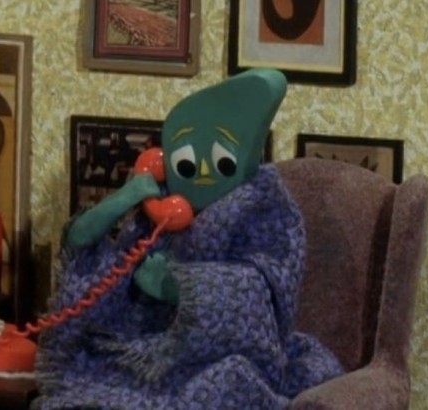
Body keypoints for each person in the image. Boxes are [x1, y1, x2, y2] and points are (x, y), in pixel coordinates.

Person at [34, 68, 343, 409]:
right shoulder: (158, 202)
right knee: (88, 382)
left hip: (215, 358)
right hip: (140, 347)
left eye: (221, 161)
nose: (204, 172)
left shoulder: (265, 207)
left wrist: (177, 287)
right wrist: (126, 196)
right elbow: (80, 243)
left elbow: (263, 289)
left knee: (230, 382)